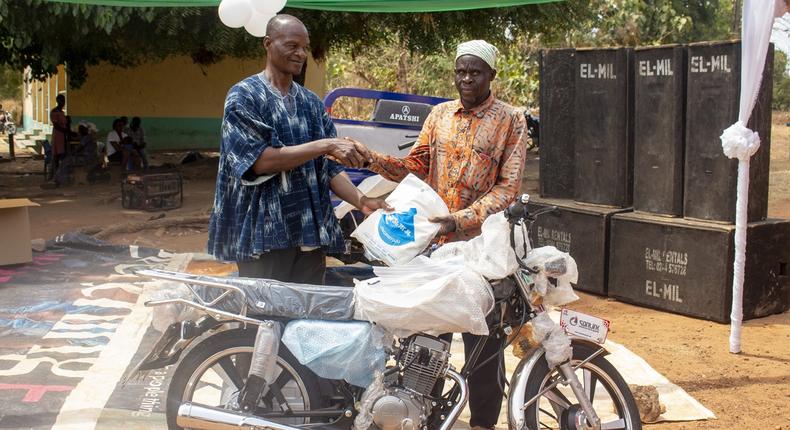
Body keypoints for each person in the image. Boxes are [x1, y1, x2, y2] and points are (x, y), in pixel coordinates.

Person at [356, 40, 528, 430]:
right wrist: (371, 159)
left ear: (491, 76)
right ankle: (423, 418)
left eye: (476, 72)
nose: (466, 79)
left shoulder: (509, 120)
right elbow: (416, 166)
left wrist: (462, 219)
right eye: (461, 71)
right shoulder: (439, 115)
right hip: (433, 247)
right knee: (428, 338)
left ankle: (483, 422)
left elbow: (508, 188)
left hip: (482, 249)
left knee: (483, 344)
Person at [207, 14, 390, 285]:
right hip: (264, 233)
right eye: (292, 45)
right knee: (266, 312)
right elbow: (259, 162)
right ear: (268, 43)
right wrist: (325, 145)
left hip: (308, 230)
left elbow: (328, 167)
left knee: (307, 310)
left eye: (304, 47)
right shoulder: (244, 96)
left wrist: (361, 201)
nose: (301, 53)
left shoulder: (311, 103)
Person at [50, 95, 68, 177]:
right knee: (56, 155)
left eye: (63, 100)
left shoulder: (62, 112)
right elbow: (56, 125)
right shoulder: (54, 111)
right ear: (57, 101)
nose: (62, 102)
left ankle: (61, 174)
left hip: (63, 135)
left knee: (63, 154)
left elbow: (65, 124)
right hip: (57, 135)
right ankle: (54, 175)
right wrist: (65, 131)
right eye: (61, 101)